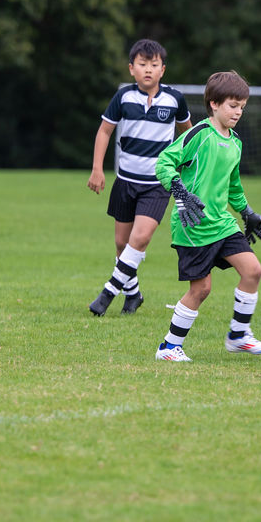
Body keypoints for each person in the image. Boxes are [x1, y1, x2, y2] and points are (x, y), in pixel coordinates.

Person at [152, 70, 261, 363]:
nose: (238, 112)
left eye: (242, 107)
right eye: (233, 105)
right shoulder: (199, 134)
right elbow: (164, 162)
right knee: (201, 289)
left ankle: (238, 336)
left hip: (222, 223)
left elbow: (233, 186)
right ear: (214, 104)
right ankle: (168, 348)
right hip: (192, 224)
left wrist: (246, 212)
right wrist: (179, 190)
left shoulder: (235, 143)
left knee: (253, 270)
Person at [87, 39, 193, 316]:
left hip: (157, 185)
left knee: (141, 238)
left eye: (154, 65)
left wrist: (185, 166)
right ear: (131, 68)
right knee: (122, 244)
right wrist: (97, 168)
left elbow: (188, 135)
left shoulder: (174, 99)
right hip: (125, 182)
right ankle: (133, 295)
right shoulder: (123, 97)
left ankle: (108, 292)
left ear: (163, 70)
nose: (148, 70)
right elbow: (104, 132)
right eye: (142, 65)